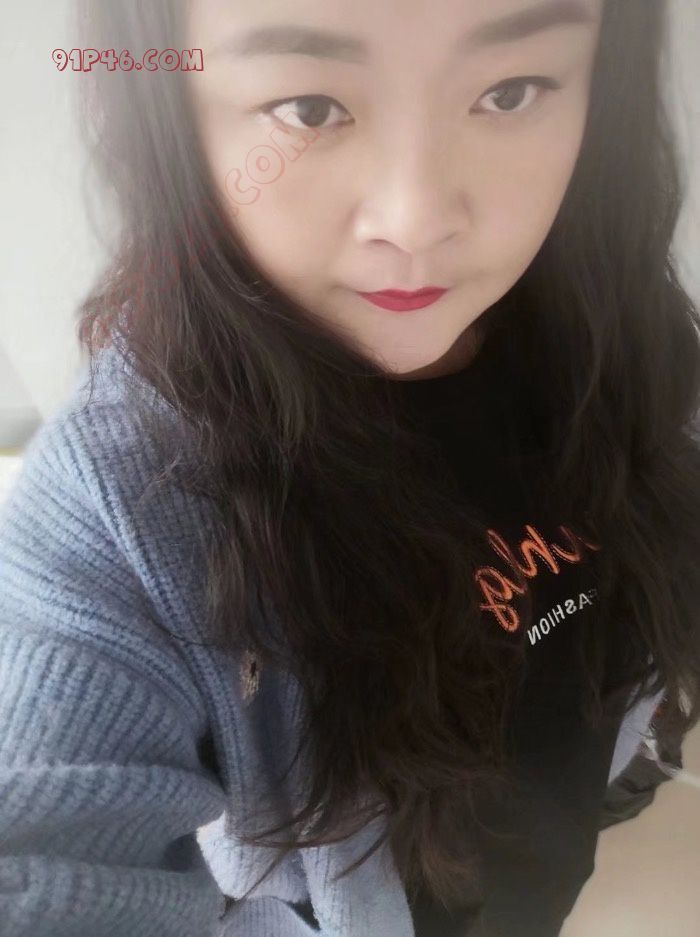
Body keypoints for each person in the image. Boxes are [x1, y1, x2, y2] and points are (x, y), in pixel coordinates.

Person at [1, 0, 699, 935]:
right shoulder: (124, 505)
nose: (417, 221)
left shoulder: (624, 332)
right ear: (172, 117)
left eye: (510, 91)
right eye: (309, 108)